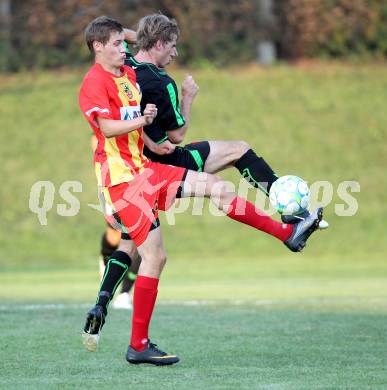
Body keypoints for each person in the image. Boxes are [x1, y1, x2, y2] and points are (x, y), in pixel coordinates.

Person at [79, 15, 323, 366]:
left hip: (146, 171)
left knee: (216, 188)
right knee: (153, 256)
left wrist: (148, 134)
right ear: (98, 47)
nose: (124, 48)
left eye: (125, 43)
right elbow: (105, 126)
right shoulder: (94, 82)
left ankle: (289, 233)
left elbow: (137, 44)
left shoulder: (129, 74)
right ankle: (137, 343)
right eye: (116, 44)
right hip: (122, 183)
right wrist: (147, 122)